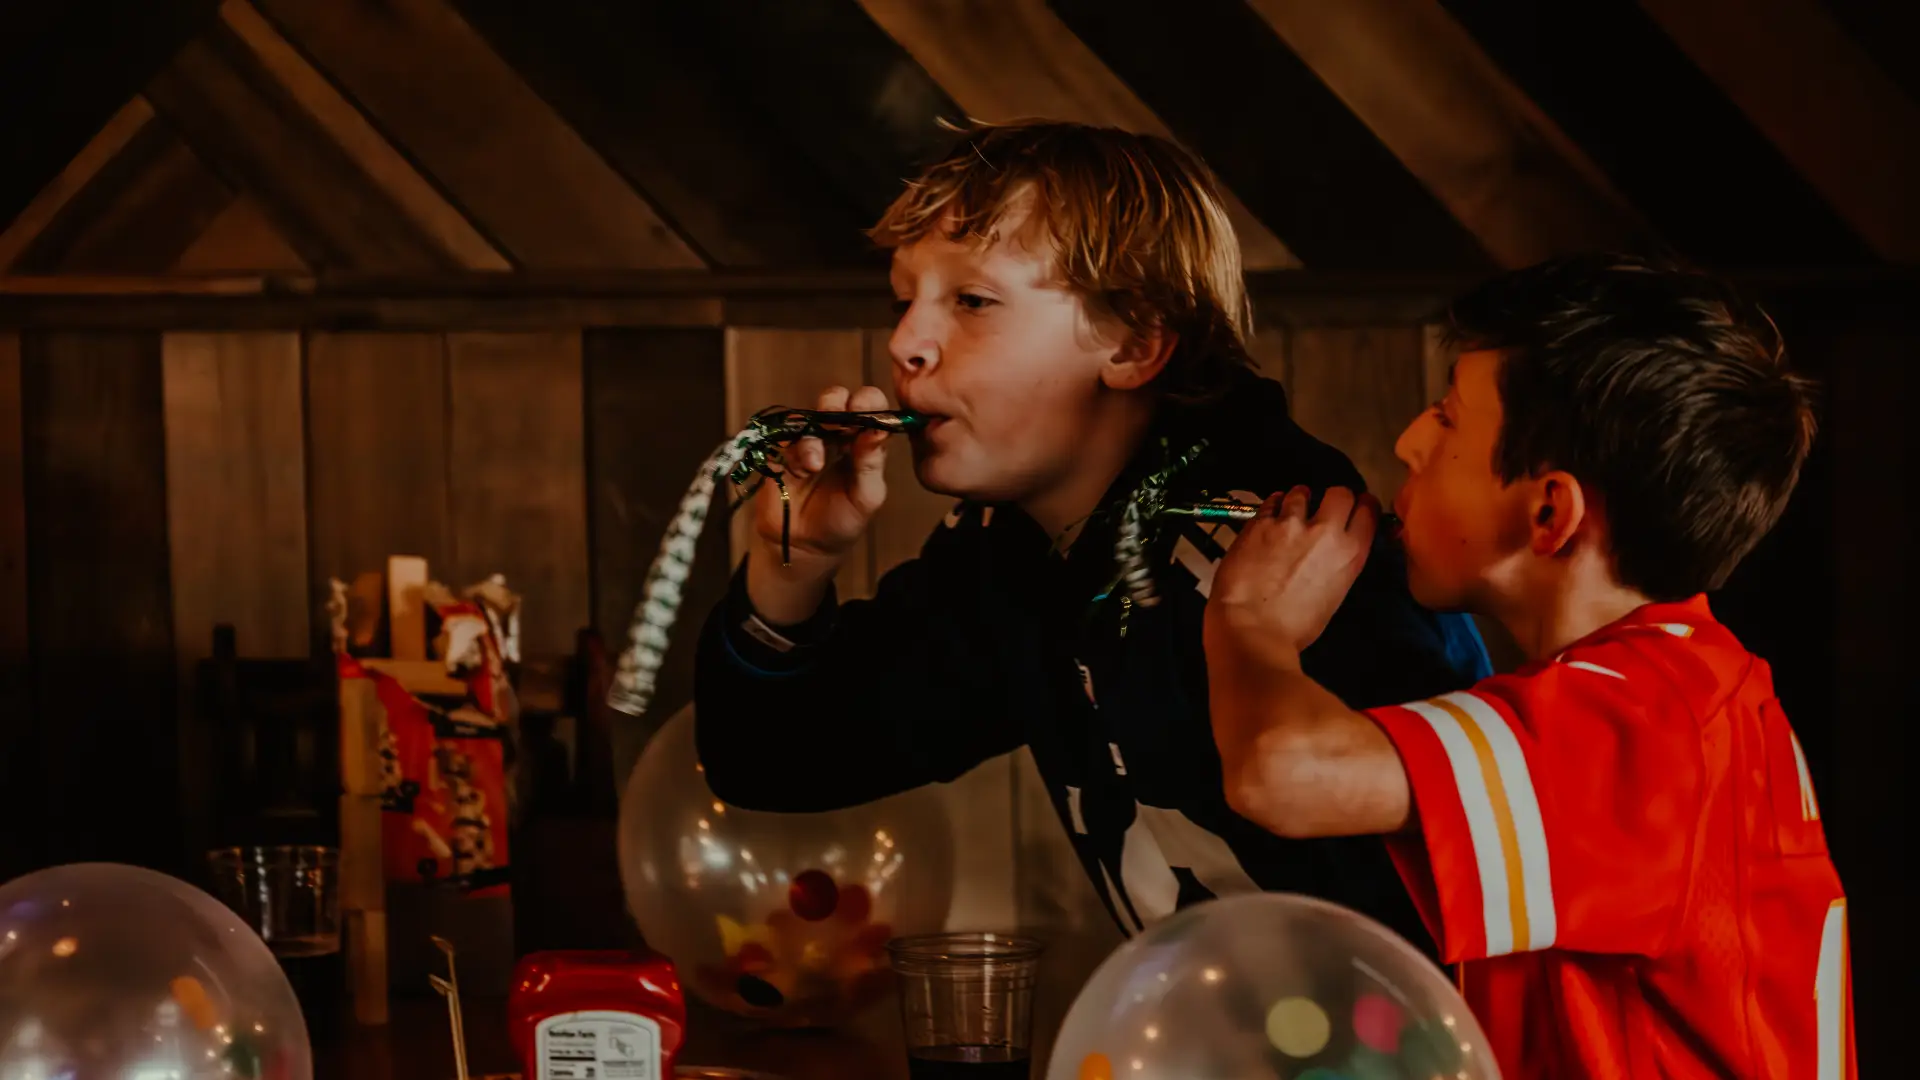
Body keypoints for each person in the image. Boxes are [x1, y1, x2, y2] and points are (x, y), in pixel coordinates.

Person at [691, 119, 1489, 951]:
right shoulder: (1019, 550)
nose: (904, 345)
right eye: (904, 300)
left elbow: (1469, 894)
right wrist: (796, 564)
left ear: (1136, 341)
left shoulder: (1296, 551)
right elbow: (767, 761)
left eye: (972, 301)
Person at [1204, 253, 1852, 1078]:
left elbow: (1281, 770)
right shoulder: (1684, 686)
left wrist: (1248, 617)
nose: (1408, 440)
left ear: (1549, 511)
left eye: (1447, 419)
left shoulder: (1647, 717)